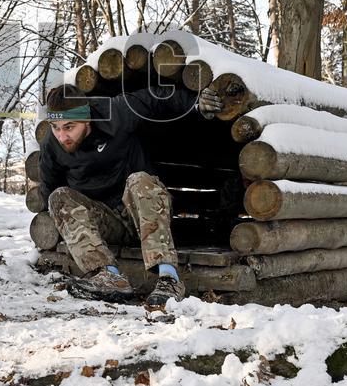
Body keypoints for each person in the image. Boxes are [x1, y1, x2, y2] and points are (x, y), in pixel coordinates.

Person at [39, 83, 223, 308]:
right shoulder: (51, 143)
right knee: (57, 197)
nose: (62, 135)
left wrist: (195, 102)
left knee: (139, 180)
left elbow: (156, 98)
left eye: (69, 127)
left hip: (146, 214)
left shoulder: (116, 112)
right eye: (56, 127)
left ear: (87, 119)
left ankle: (169, 279)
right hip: (108, 224)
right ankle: (108, 276)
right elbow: (49, 191)